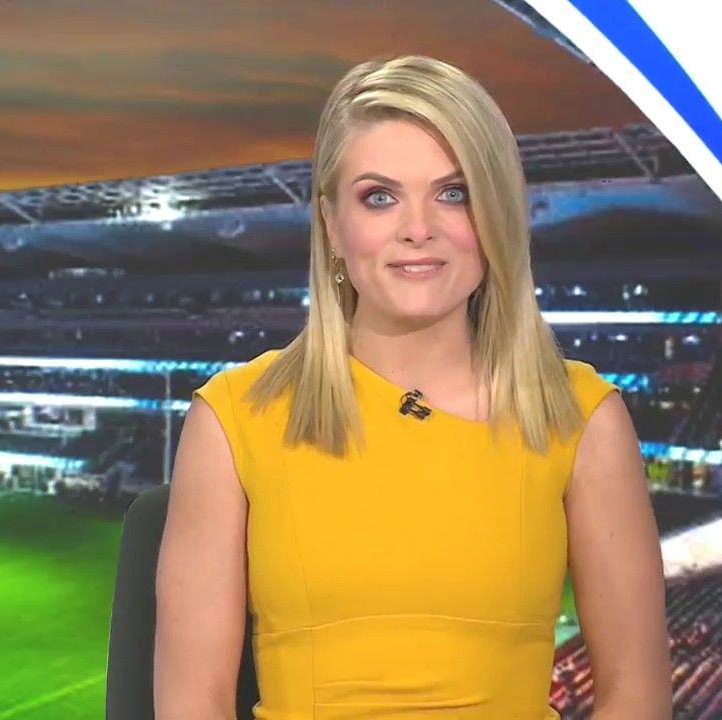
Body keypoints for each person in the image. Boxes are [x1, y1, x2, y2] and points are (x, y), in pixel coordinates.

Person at [154, 55, 670, 719]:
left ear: (497, 216)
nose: (418, 228)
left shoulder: (582, 418)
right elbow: (192, 703)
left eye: (454, 193)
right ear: (332, 224)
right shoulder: (234, 419)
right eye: (380, 197)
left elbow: (636, 696)